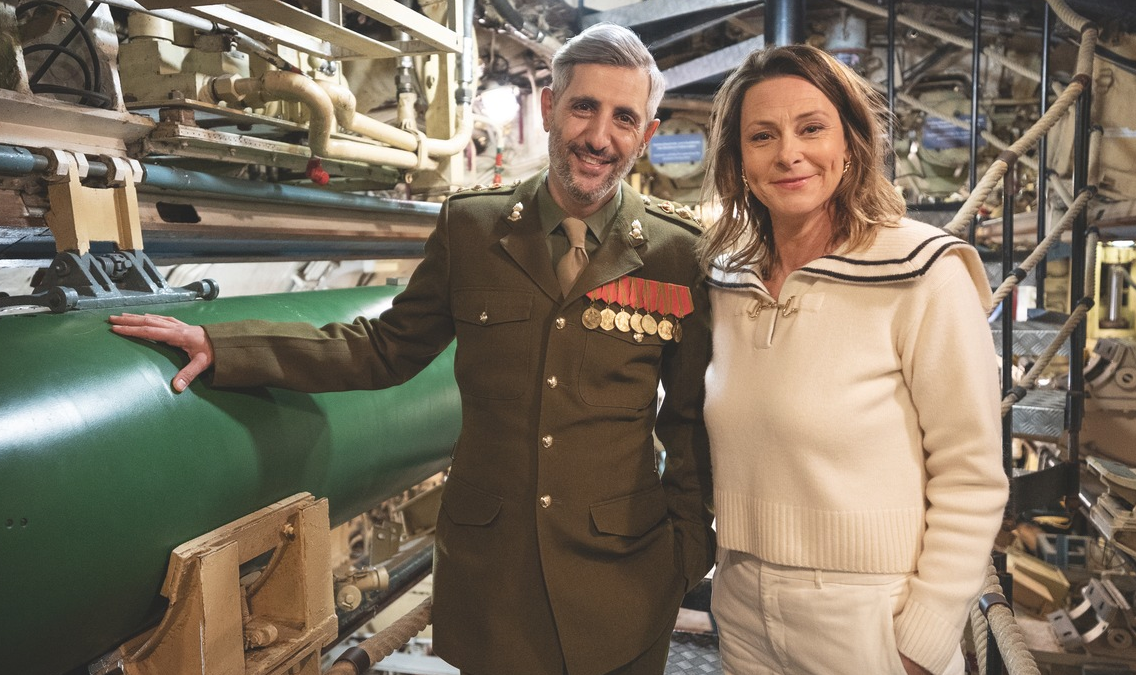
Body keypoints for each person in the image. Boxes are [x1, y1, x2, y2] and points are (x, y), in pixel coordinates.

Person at [110, 23, 715, 675]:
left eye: (625, 117)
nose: (600, 136)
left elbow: (687, 425)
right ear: (548, 107)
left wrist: (685, 556)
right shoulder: (472, 227)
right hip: (492, 585)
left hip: (623, 583)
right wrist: (226, 346)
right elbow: (383, 348)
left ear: (648, 134)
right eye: (584, 107)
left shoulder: (676, 254)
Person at [697, 44, 1008, 675]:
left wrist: (923, 635)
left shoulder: (924, 272)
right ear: (738, 161)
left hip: (869, 615)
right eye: (763, 136)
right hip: (740, 603)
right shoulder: (728, 282)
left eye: (812, 128)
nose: (789, 153)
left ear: (851, 143)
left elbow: (971, 475)